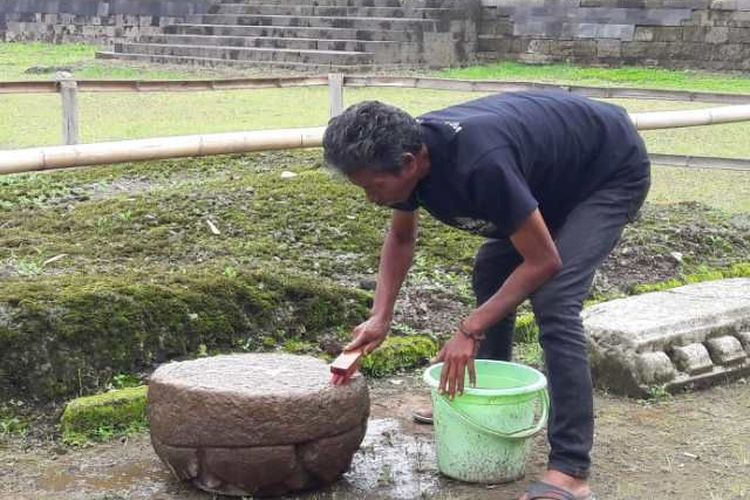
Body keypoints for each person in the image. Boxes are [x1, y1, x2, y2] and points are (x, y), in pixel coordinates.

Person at [322, 91, 650, 500]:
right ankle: (487, 401)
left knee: (555, 301)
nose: (371, 198)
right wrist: (381, 316)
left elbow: (544, 262)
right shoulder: (406, 154)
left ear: (409, 163)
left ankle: (570, 469)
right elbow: (402, 237)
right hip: (547, 175)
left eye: (374, 186)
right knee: (491, 269)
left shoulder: (479, 163)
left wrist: (471, 327)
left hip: (606, 170)